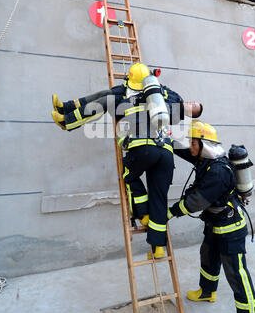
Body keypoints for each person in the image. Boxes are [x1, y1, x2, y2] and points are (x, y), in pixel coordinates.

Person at [51, 63, 203, 260]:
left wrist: (69, 117)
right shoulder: (165, 97)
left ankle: (143, 214)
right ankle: (158, 248)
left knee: (129, 176)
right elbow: (174, 102)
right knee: (159, 198)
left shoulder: (128, 98)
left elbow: (96, 107)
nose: (191, 104)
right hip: (165, 153)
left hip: (142, 149)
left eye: (194, 107)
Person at [168, 120, 255, 313]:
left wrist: (169, 213)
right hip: (214, 224)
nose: (190, 146)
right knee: (207, 257)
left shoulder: (218, 171)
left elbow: (196, 201)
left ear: (203, 144)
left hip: (231, 229)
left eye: (193, 142)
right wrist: (165, 141)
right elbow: (184, 153)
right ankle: (207, 291)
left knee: (237, 275)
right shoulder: (204, 159)